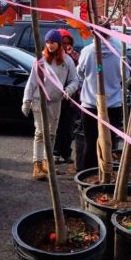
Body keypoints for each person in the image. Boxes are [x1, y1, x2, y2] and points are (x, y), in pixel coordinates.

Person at [22, 29, 79, 181]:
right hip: (39, 100)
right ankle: (37, 164)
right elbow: (32, 82)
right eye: (47, 42)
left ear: (58, 43)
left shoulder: (67, 61)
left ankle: (48, 162)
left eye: (52, 42)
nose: (50, 45)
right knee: (40, 133)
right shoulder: (41, 61)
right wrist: (26, 100)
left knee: (52, 134)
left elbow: (75, 79)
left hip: (56, 101)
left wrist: (68, 89)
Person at [76, 20, 125, 171]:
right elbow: (125, 75)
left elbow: (80, 73)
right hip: (114, 104)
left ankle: (87, 174)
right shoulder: (119, 52)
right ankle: (106, 173)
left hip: (90, 104)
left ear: (93, 32)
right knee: (109, 143)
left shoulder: (87, 52)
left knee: (90, 142)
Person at [54, 28, 79, 166]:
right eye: (63, 42)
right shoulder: (51, 57)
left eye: (68, 42)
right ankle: (55, 153)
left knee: (68, 127)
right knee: (56, 127)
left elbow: (77, 75)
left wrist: (71, 56)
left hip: (71, 98)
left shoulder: (73, 56)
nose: (66, 45)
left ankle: (66, 153)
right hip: (56, 97)